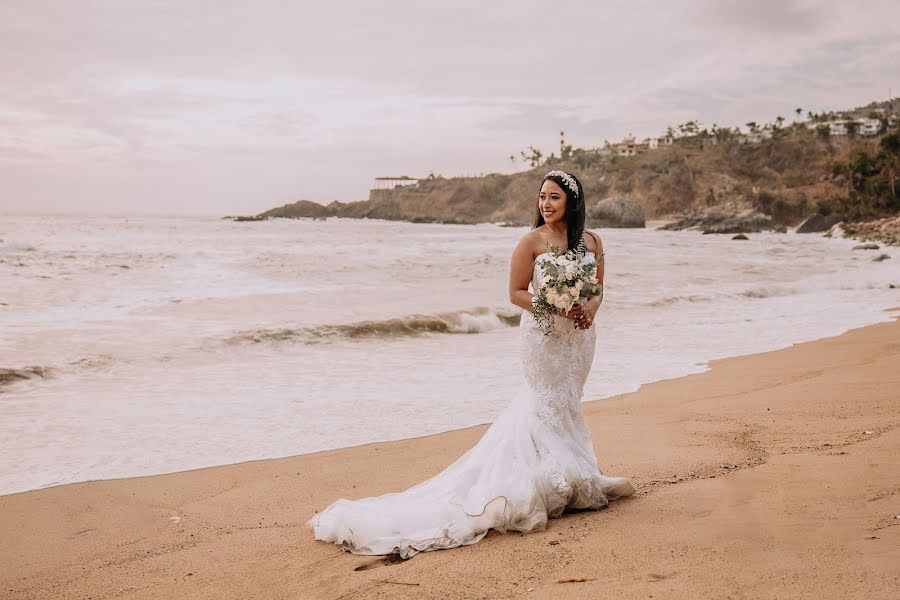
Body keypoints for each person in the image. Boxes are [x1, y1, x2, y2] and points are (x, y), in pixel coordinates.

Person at [306, 169, 635, 559]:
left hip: (579, 339)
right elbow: (515, 293)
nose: (545, 204)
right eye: (541, 197)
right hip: (543, 338)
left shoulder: (593, 241)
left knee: (568, 400)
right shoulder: (531, 242)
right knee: (544, 400)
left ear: (572, 202)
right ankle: (550, 482)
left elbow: (598, 289)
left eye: (554, 198)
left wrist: (590, 309)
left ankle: (577, 471)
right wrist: (553, 306)